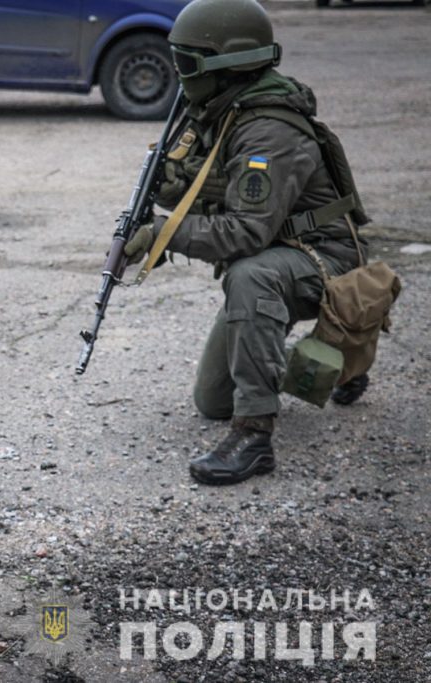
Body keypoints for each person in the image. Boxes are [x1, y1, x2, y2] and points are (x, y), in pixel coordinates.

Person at [122, 0, 369, 485]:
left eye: (187, 64)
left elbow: (244, 232)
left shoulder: (269, 129)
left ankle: (254, 435)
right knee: (211, 401)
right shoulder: (220, 110)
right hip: (278, 253)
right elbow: (198, 189)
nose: (179, 74)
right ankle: (338, 364)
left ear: (228, 63)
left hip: (324, 259)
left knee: (249, 276)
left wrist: (160, 235)